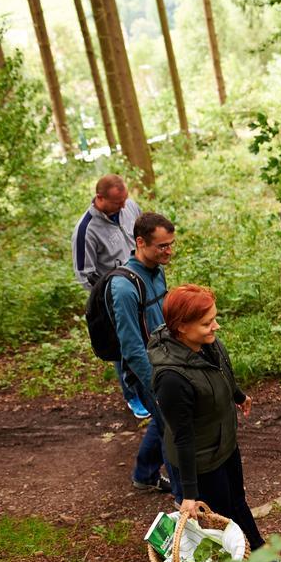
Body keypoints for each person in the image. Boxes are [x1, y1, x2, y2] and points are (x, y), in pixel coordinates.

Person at [148, 284, 265, 550]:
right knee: (222, 514)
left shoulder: (207, 344)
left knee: (237, 499)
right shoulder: (171, 379)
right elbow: (183, 437)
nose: (216, 327)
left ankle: (256, 547)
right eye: (206, 323)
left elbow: (221, 373)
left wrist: (238, 395)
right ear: (181, 328)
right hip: (201, 460)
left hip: (223, 442)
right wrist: (189, 494)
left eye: (214, 319)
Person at [111, 212, 181, 501]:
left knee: (163, 419)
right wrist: (156, 382)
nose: (169, 251)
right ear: (140, 242)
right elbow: (130, 348)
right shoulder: (125, 288)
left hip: (166, 360)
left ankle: (144, 475)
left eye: (171, 244)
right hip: (147, 372)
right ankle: (184, 498)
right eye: (162, 246)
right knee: (174, 429)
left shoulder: (156, 270)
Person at [71, 174, 147, 419]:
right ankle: (133, 396)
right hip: (115, 298)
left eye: (124, 200)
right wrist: (112, 292)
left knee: (148, 336)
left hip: (144, 286)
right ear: (100, 198)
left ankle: (153, 384)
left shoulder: (129, 206)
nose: (123, 206)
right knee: (124, 347)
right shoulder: (86, 230)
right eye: (117, 203)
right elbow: (85, 274)